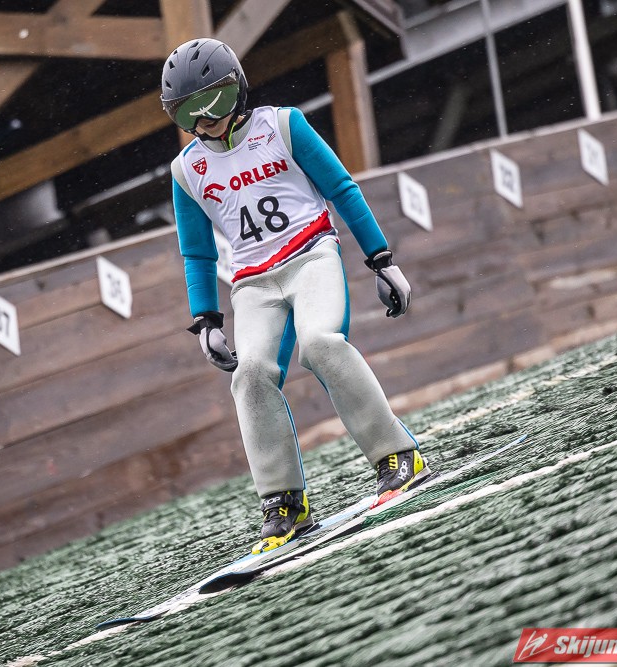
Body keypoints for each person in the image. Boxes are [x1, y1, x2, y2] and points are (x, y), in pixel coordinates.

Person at [161, 38, 431, 554]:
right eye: (188, 111)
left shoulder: (283, 126)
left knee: (321, 342)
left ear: (237, 90)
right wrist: (206, 319)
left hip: (311, 256)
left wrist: (382, 259)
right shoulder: (186, 170)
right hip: (251, 284)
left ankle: (397, 455)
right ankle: (283, 500)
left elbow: (342, 188)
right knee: (250, 374)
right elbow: (196, 252)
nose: (204, 120)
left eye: (214, 102)